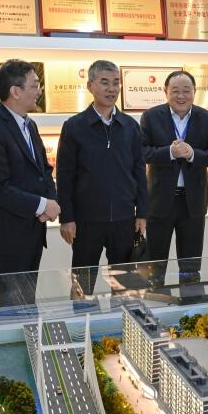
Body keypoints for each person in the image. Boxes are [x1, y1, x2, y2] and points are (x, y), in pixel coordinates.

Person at [0, 59, 60, 310]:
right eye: (35, 85)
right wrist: (42, 205)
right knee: (9, 308)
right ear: (15, 91)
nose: (39, 91)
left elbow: (44, 170)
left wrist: (50, 201)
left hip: (32, 232)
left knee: (27, 304)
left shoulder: (29, 124)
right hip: (7, 239)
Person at [56, 60, 148, 296]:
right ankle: (81, 320)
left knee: (124, 286)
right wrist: (67, 218)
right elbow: (64, 176)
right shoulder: (74, 126)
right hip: (86, 221)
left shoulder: (130, 126)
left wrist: (142, 212)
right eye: (104, 82)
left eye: (116, 83)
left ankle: (122, 319)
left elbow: (139, 170)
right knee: (82, 285)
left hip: (124, 219)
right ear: (90, 86)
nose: (111, 89)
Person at [140, 70, 208, 285]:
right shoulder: (150, 116)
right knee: (155, 263)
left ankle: (191, 301)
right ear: (165, 91)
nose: (181, 96)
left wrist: (193, 154)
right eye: (175, 91)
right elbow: (141, 152)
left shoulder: (207, 118)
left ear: (194, 92)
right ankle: (156, 299)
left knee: (190, 264)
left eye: (186, 91)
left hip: (193, 202)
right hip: (159, 200)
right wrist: (170, 152)